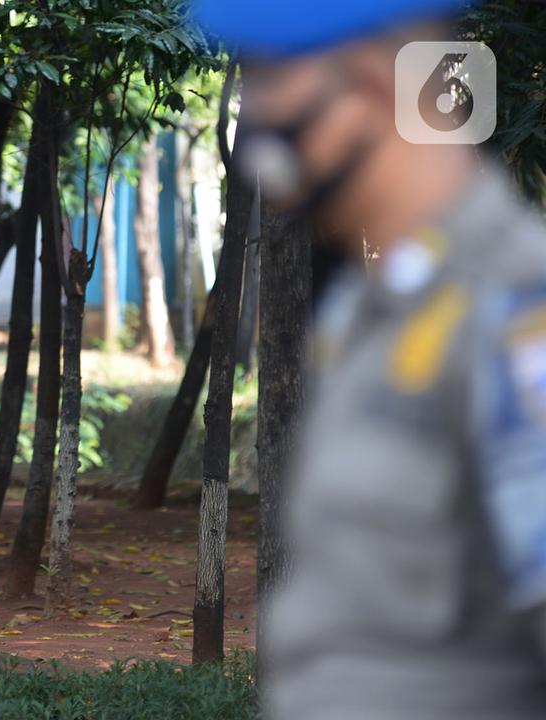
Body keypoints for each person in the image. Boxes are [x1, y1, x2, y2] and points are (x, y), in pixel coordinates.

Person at [193, 1, 546, 717]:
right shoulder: (369, 310)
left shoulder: (514, 316)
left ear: (368, 87)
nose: (253, 113)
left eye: (268, 78)